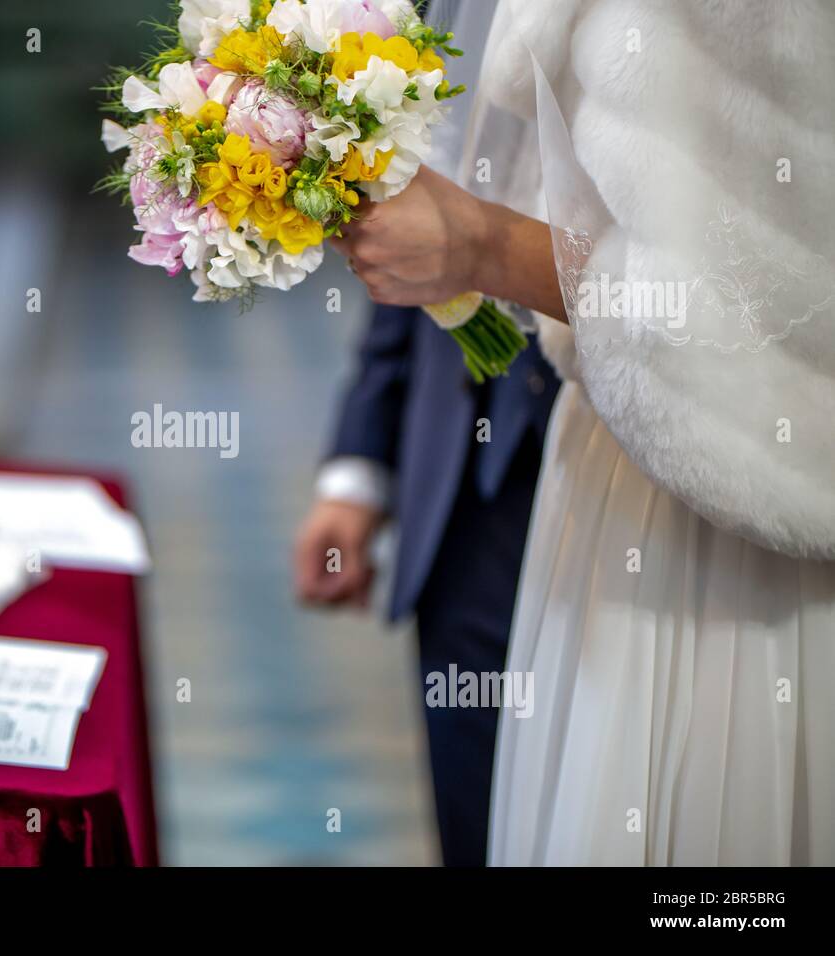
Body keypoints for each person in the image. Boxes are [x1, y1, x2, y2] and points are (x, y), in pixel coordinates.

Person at [331, 0, 835, 864]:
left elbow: (777, 303)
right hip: (575, 489)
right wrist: (357, 460)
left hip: (726, 505)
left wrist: (483, 246)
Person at [294, 0, 558, 868]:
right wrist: (360, 467)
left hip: (638, 485)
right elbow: (407, 190)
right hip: (460, 485)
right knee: (474, 818)